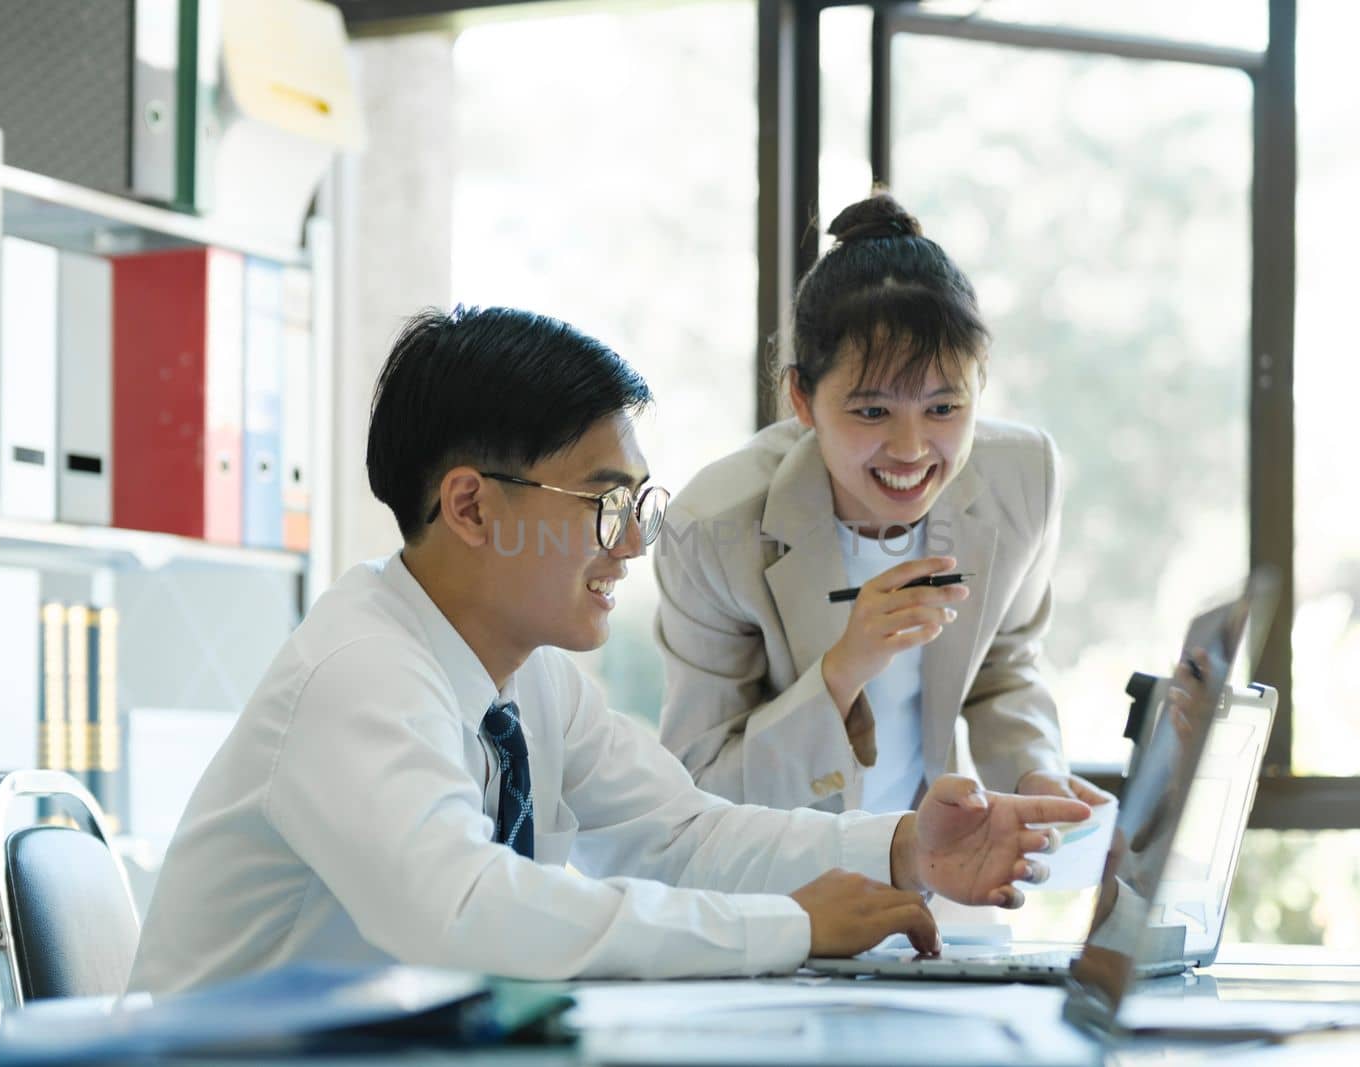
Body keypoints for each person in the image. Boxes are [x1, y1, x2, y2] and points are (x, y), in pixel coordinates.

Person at [127, 305, 1090, 994]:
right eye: (603, 503)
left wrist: (903, 846)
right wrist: (791, 925)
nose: (635, 541)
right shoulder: (358, 675)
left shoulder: (531, 678)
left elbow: (683, 832)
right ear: (470, 505)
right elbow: (471, 915)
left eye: (635, 503)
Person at [656, 192, 1111, 816]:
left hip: (929, 866)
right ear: (802, 398)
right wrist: (844, 668)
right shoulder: (713, 530)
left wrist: (1035, 777)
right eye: (872, 411)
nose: (911, 449)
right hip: (776, 888)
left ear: (980, 387)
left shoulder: (1023, 480)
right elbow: (700, 785)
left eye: (944, 408)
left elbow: (1003, 667)